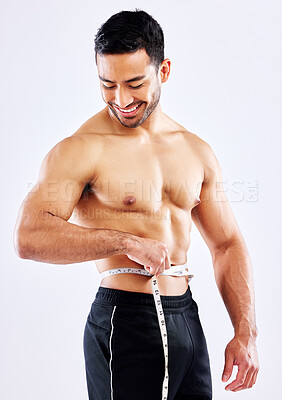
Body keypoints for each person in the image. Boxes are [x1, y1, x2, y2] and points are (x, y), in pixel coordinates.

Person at [13, 8, 259, 400]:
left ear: (163, 71)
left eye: (134, 83)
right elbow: (28, 236)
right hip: (122, 320)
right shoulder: (81, 150)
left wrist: (245, 332)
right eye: (107, 84)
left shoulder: (196, 152)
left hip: (186, 318)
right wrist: (124, 243)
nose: (121, 99)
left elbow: (227, 244)